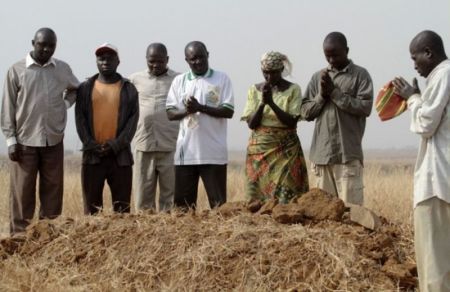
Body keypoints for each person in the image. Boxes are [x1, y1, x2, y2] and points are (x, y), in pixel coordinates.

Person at [1, 28, 79, 235]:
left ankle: (48, 240)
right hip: (24, 142)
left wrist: (64, 104)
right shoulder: (16, 70)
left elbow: (75, 89)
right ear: (33, 43)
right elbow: (8, 107)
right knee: (22, 194)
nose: (46, 49)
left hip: (53, 141)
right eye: (42, 44)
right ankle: (19, 240)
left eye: (51, 46)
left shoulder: (62, 69)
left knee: (53, 193)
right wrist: (10, 140)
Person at [392, 30, 450, 292]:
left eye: (415, 58)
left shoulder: (444, 73)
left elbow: (426, 123)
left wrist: (412, 98)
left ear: (429, 53)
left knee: (434, 263)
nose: (414, 65)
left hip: (437, 181)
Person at [300, 32, 373, 206]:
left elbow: (365, 107)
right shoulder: (318, 77)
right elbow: (305, 112)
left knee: (352, 214)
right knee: (323, 216)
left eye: (335, 55)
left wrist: (335, 93)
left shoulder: (360, 75)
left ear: (347, 50)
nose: (331, 60)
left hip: (347, 155)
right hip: (321, 156)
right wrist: (322, 96)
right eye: (327, 56)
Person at [166, 41, 234, 210]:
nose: (197, 62)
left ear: (208, 55)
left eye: (201, 57)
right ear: (186, 60)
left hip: (214, 154)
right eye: (192, 59)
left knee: (219, 208)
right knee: (183, 209)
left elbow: (228, 111)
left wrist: (200, 108)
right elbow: (170, 113)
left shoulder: (221, 78)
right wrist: (187, 111)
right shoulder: (179, 81)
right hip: (186, 155)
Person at [75, 43, 139, 215]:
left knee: (122, 210)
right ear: (96, 61)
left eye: (110, 58)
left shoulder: (129, 89)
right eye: (101, 58)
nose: (105, 61)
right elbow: (80, 120)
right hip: (92, 157)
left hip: (120, 158)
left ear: (118, 61)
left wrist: (115, 145)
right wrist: (91, 144)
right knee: (92, 211)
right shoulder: (85, 88)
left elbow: (132, 123)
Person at [241, 51, 309, 204]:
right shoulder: (254, 90)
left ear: (281, 70)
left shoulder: (293, 89)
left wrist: (272, 103)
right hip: (259, 149)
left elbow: (291, 121)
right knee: (256, 198)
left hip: (286, 149)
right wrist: (262, 103)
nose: (269, 77)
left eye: (273, 73)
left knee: (286, 195)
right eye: (266, 73)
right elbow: (252, 124)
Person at [129, 43, 179, 212]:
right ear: (146, 60)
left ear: (167, 60)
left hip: (170, 145)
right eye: (151, 61)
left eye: (160, 61)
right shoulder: (134, 79)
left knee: (170, 200)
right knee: (143, 200)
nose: (155, 65)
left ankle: (168, 234)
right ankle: (144, 234)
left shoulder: (178, 80)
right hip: (144, 144)